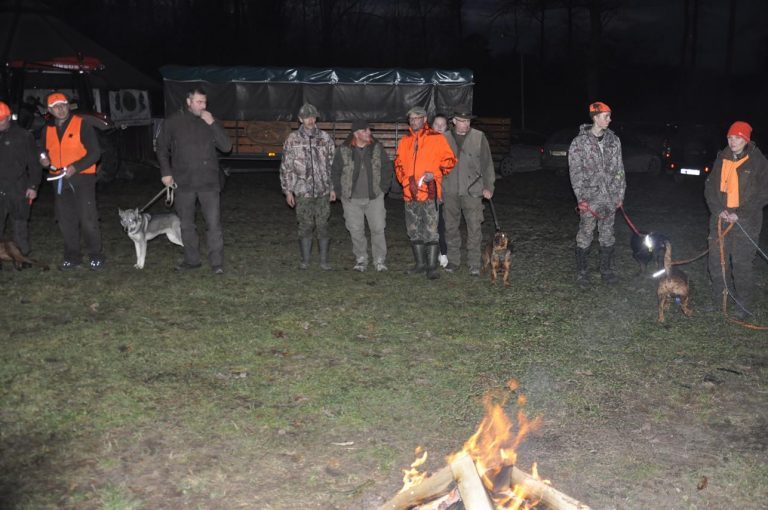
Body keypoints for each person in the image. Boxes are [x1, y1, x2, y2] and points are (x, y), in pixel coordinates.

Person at [157, 87, 233, 274]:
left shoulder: (210, 120)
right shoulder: (173, 122)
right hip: (184, 182)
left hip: (209, 183)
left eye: (205, 102)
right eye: (199, 102)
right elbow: (161, 148)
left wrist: (213, 123)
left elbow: (226, 147)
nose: (203, 106)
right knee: (186, 224)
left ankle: (217, 264)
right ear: (189, 102)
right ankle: (192, 260)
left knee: (213, 224)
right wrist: (166, 172)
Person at [704, 121, 768, 320]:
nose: (733, 142)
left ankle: (743, 305)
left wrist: (741, 213)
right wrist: (718, 209)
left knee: (741, 264)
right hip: (720, 218)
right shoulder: (721, 158)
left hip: (746, 220)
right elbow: (709, 187)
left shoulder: (758, 162)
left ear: (746, 139)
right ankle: (719, 299)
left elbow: (763, 193)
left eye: (738, 138)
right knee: (716, 261)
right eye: (730, 138)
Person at [39, 92, 104, 271]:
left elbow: (95, 153)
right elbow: (42, 151)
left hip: (82, 179)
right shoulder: (47, 130)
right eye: (56, 106)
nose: (60, 109)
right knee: (66, 221)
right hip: (59, 181)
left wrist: (76, 167)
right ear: (50, 110)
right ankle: (72, 257)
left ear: (68, 106)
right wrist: (43, 160)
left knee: (87, 219)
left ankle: (95, 256)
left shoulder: (82, 125)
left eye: (63, 105)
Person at [394, 106, 456, 280]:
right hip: (410, 194)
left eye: (417, 118)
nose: (414, 121)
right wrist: (405, 181)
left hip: (429, 194)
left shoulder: (436, 139)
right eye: (411, 119)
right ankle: (420, 265)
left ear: (424, 120)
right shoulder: (404, 141)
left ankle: (431, 267)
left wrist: (434, 174)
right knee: (413, 230)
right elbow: (398, 164)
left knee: (431, 230)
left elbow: (450, 161)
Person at [568, 101, 626, 287]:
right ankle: (582, 273)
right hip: (589, 199)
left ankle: (606, 271)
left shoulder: (614, 141)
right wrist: (581, 198)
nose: (609, 119)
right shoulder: (579, 143)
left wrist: (619, 195)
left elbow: (619, 170)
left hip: (609, 198)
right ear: (595, 118)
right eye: (605, 116)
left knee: (608, 234)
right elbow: (575, 172)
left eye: (609, 116)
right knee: (585, 233)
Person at [331, 119, 393, 272]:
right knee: (356, 230)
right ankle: (361, 259)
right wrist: (340, 193)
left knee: (378, 229)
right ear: (356, 133)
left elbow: (387, 168)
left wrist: (383, 189)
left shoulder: (377, 148)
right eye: (365, 131)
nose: (369, 133)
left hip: (374, 197)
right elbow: (335, 171)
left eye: (369, 130)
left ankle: (379, 260)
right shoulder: (344, 149)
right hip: (351, 199)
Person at [280, 103, 336, 270]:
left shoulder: (325, 138)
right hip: (302, 191)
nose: (310, 120)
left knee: (323, 224)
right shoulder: (292, 139)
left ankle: (324, 261)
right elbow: (286, 167)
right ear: (300, 119)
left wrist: (333, 188)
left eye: (312, 117)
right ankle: (305, 261)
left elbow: (333, 165)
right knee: (305, 225)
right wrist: (288, 190)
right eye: (306, 117)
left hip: (323, 190)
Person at [442, 110, 495, 275]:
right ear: (454, 121)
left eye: (468, 121)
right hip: (449, 190)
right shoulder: (443, 138)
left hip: (473, 190)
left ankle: (473, 263)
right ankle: (453, 260)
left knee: (474, 227)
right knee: (450, 227)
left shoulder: (479, 137)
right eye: (462, 121)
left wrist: (489, 187)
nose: (466, 124)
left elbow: (487, 164)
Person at [0, 101, 42, 264]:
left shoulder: (24, 136)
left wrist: (33, 186)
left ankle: (22, 256)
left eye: (2, 120)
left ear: (8, 117)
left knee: (19, 222)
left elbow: (34, 164)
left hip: (18, 186)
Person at [431, 113, 450, 268]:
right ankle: (431, 253)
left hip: (447, 190)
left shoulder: (450, 143)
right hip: (430, 191)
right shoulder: (427, 142)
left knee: (444, 224)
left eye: (442, 124)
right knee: (432, 224)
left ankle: (444, 253)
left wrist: (443, 192)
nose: (439, 127)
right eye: (436, 124)